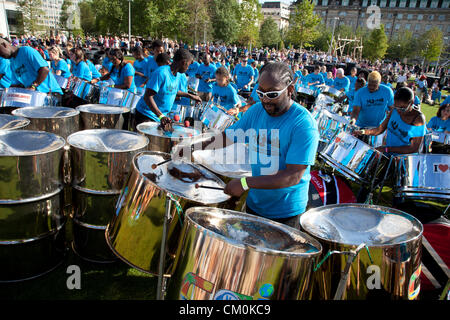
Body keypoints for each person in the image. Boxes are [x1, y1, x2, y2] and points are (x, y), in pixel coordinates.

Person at [174, 62, 319, 229]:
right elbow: (227, 138)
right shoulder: (256, 111)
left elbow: (293, 176)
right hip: (255, 203)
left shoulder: (303, 124)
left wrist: (244, 183)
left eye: (272, 94)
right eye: (260, 93)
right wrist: (192, 148)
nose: (265, 100)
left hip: (285, 212)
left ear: (290, 90)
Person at [134, 48, 202, 130]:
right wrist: (161, 116)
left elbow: (173, 90)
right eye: (188, 65)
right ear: (183, 62)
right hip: (146, 115)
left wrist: (190, 96)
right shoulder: (161, 73)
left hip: (159, 116)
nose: (188, 68)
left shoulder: (177, 75)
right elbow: (147, 97)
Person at [354, 87, 426, 156]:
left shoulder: (418, 119)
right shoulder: (394, 111)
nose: (399, 111)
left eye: (402, 108)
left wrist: (387, 149)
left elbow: (414, 148)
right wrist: (363, 132)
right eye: (396, 107)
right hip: (389, 154)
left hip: (404, 161)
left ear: (412, 102)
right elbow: (379, 129)